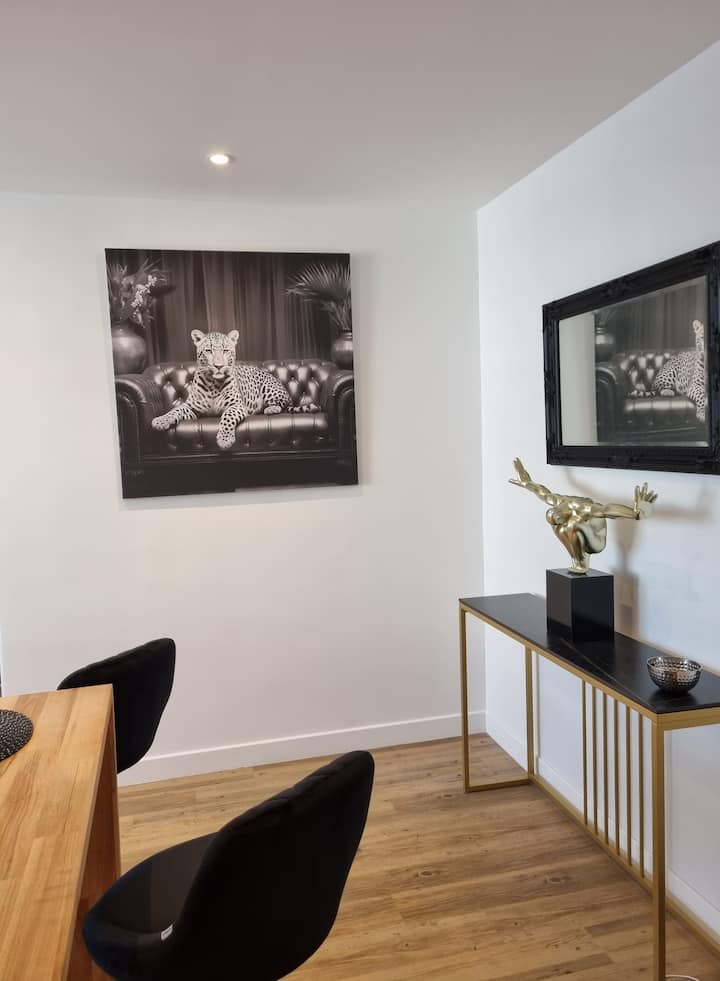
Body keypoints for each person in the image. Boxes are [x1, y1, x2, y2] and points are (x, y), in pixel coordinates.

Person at [510, 458, 657, 574]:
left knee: (572, 525)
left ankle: (582, 564)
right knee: (561, 529)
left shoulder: (583, 508)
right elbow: (541, 492)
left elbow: (607, 510)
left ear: (562, 513)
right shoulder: (557, 501)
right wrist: (527, 482)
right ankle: (578, 560)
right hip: (582, 538)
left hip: (596, 541)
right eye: (556, 521)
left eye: (558, 519)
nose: (558, 522)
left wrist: (635, 514)